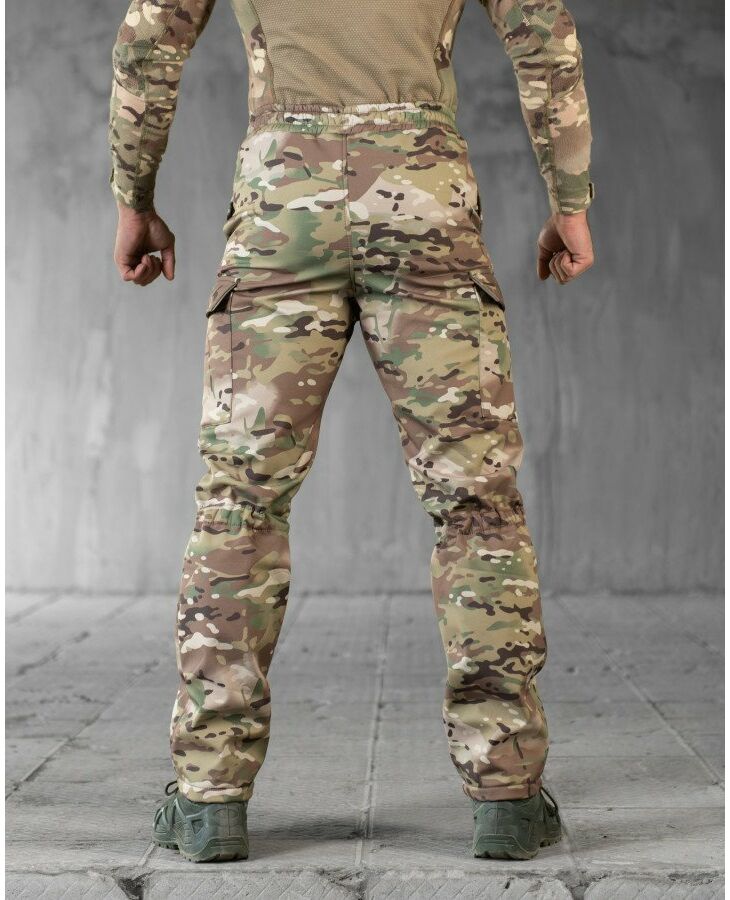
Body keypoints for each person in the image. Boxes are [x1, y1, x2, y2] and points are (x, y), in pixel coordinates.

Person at [109, 0, 594, 864]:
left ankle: (210, 797)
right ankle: (509, 795)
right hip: (425, 198)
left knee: (241, 505)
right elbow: (543, 34)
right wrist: (572, 203)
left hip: (281, 202)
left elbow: (150, 38)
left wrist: (134, 199)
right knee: (475, 506)